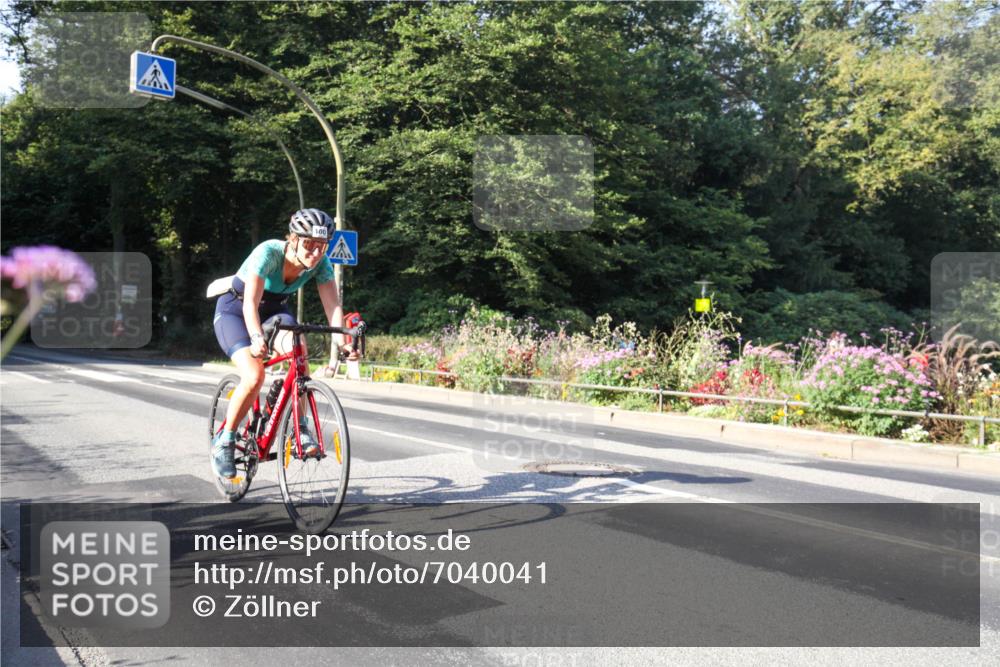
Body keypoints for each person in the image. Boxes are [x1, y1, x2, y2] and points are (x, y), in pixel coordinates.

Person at [211, 208, 356, 479]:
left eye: (321, 246)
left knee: (298, 350)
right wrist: (255, 338)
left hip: (275, 312)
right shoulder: (268, 253)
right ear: (293, 239)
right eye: (309, 244)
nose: (315, 253)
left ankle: (299, 428)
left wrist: (344, 342)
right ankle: (225, 439)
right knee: (254, 375)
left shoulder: (321, 264)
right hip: (236, 310)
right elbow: (250, 304)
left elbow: (333, 308)